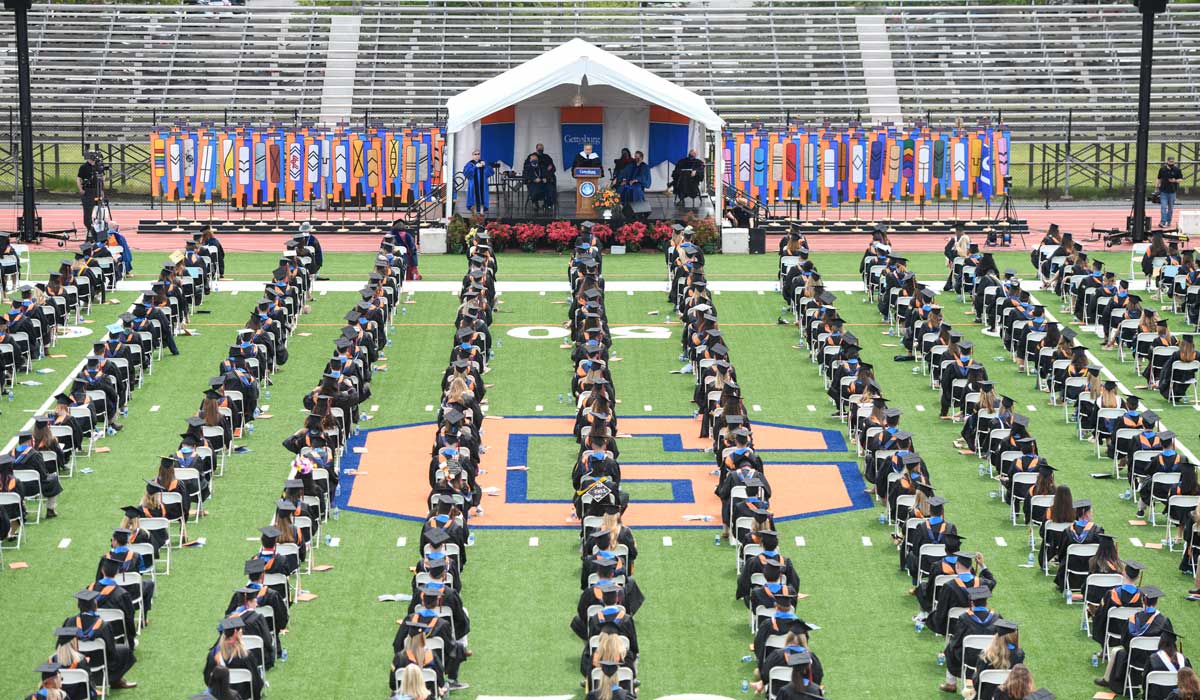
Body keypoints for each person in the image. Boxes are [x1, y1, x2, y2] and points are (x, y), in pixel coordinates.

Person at [1147, 631, 1190, 700]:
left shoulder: (1153, 659)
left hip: (1156, 697)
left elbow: (1145, 683)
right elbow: (1190, 681)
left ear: (1161, 642)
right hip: (1179, 697)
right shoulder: (1184, 660)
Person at [76, 152, 102, 235]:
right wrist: (80, 189)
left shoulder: (98, 166)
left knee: (100, 210)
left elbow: (102, 178)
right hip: (88, 191)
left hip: (97, 190)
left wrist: (102, 190)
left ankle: (99, 229)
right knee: (87, 211)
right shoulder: (83, 167)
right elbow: (78, 178)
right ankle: (89, 229)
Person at [462, 150, 493, 214]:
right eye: (475, 154)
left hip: (483, 185)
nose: (477, 155)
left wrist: (486, 166)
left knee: (482, 197)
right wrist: (475, 167)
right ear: (472, 156)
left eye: (478, 154)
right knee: (473, 198)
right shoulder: (470, 164)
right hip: (473, 185)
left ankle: (482, 211)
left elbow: (491, 172)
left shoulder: (483, 163)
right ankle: (475, 212)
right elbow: (466, 173)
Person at [1158, 156, 1184, 228]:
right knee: (1163, 207)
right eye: (1170, 162)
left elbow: (1181, 179)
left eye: (1173, 162)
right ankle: (1163, 221)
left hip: (1172, 192)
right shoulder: (1162, 169)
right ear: (1167, 161)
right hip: (1163, 191)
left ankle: (1168, 221)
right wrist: (1157, 187)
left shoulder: (1177, 170)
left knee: (1170, 208)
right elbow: (1159, 178)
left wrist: (1175, 180)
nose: (1171, 163)